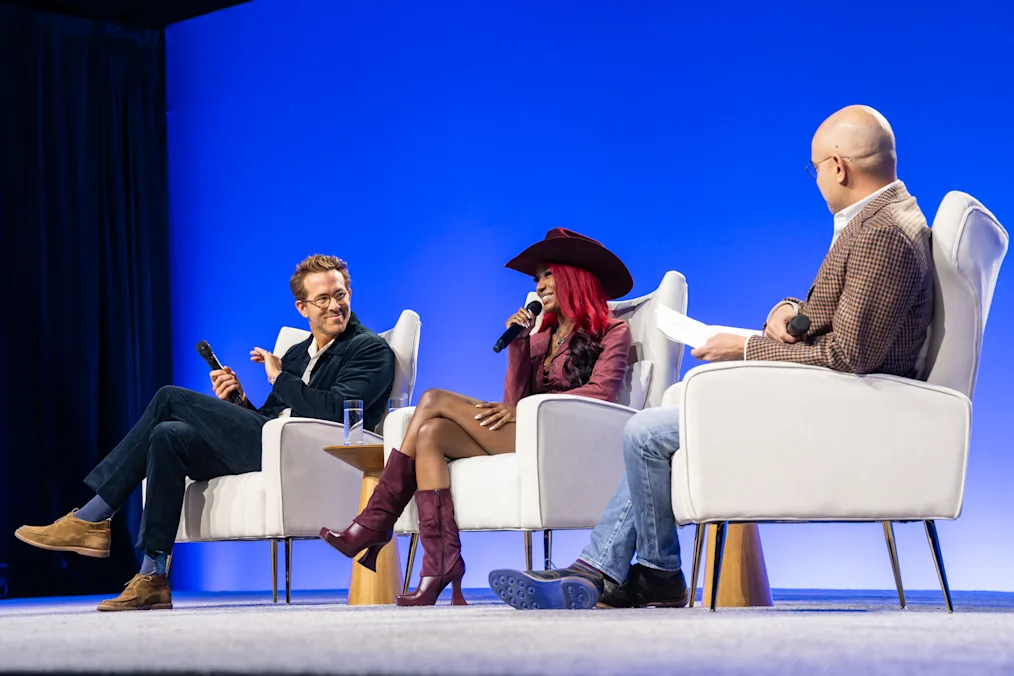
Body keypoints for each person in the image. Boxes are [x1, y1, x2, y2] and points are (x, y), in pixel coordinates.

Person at [488, 104, 935, 610]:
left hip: (831, 410)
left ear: (838, 167)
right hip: (817, 395)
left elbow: (848, 354)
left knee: (647, 433)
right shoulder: (878, 222)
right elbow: (837, 315)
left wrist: (741, 348)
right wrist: (790, 309)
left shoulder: (881, 234)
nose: (814, 181)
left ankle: (634, 573)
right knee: (649, 432)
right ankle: (636, 574)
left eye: (813, 170)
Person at [15, 254, 395, 611]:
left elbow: (342, 411)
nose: (334, 306)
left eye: (340, 295)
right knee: (167, 435)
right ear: (303, 308)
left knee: (169, 397)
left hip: (316, 456)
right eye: (323, 298)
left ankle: (94, 516)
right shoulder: (297, 353)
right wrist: (239, 401)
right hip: (273, 444)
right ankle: (152, 576)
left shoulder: (369, 349)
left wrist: (278, 377)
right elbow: (272, 417)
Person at [320, 228, 634, 606]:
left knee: (434, 398)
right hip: (526, 430)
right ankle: (438, 568)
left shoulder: (613, 330)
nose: (539, 286)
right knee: (430, 434)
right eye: (537, 280)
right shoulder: (538, 337)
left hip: (565, 437)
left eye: (547, 274)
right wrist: (518, 345)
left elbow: (601, 393)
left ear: (574, 275)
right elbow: (512, 400)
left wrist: (522, 411)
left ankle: (375, 523)